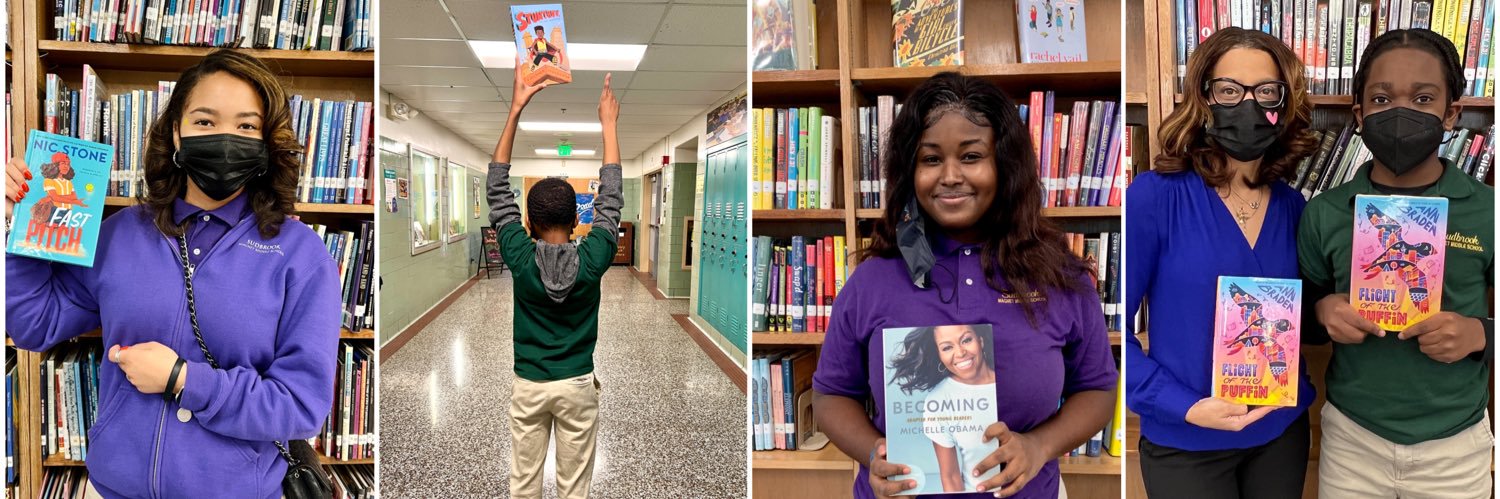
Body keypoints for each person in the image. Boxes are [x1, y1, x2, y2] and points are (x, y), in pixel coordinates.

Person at [5, 49, 340, 499]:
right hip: (114, 489)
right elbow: (32, 325)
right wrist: (19, 227)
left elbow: (301, 406)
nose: (225, 138)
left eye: (245, 126)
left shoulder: (301, 255)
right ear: (177, 135)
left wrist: (185, 380)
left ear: (265, 143)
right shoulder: (119, 234)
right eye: (205, 121)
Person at [811, 72, 1117, 499]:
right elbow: (830, 395)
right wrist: (874, 453)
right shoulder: (873, 280)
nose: (950, 175)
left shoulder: (1059, 277)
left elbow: (1098, 388)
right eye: (931, 159)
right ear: (908, 171)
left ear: (1005, 165)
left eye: (971, 156)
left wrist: (1038, 446)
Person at [1125, 27, 1318, 498]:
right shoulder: (1154, 197)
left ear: (1284, 103)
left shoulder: (1296, 209)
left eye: (1265, 91)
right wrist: (1183, 406)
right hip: (1185, 441)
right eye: (1229, 90)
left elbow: (1306, 323)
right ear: (1203, 98)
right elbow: (1097, 329)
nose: (1247, 105)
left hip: (1280, 433)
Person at [1299, 29, 1493, 498]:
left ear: (1451, 113)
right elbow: (1299, 316)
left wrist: (1481, 332)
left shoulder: (1489, 210)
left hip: (1456, 445)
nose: (1401, 112)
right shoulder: (1325, 212)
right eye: (1382, 99)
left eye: (1423, 98)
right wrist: (1323, 312)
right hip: (1352, 439)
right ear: (1359, 115)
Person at [485, 67, 621, 499]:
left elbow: (497, 189)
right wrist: (609, 125)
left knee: (523, 483)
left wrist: (515, 109)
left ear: (528, 222)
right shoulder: (595, 256)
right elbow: (612, 200)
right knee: (574, 486)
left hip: (529, 384)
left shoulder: (520, 256)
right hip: (578, 384)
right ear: (577, 218)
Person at [886, 325, 999, 492]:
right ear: (939, 356)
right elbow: (950, 476)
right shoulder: (939, 400)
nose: (960, 353)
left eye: (966, 340)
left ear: (980, 341)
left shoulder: (1010, 379)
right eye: (947, 347)